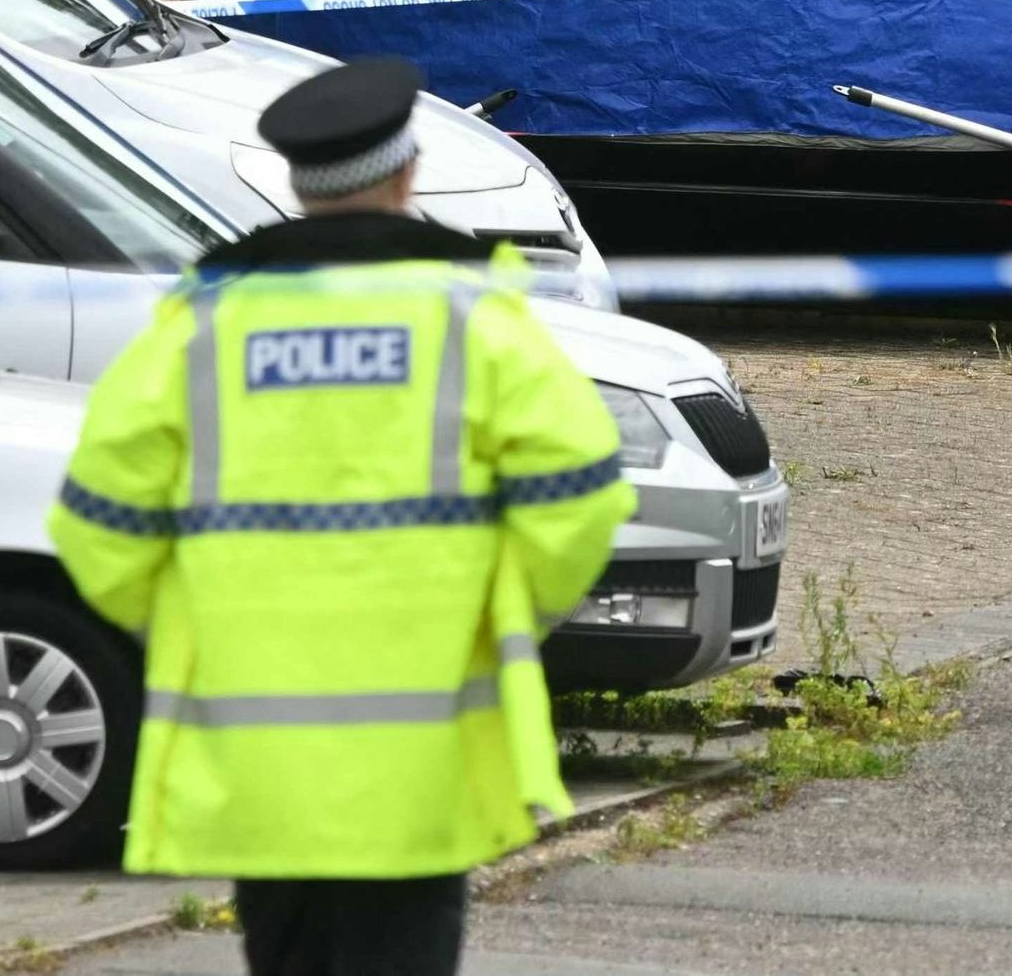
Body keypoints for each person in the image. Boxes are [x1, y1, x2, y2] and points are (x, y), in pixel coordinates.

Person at [49, 56, 631, 976]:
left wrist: (186, 618)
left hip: (258, 758)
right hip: (423, 759)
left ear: (299, 185)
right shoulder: (472, 313)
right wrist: (508, 610)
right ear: (406, 174)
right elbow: (581, 492)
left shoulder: (206, 321)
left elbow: (97, 517)